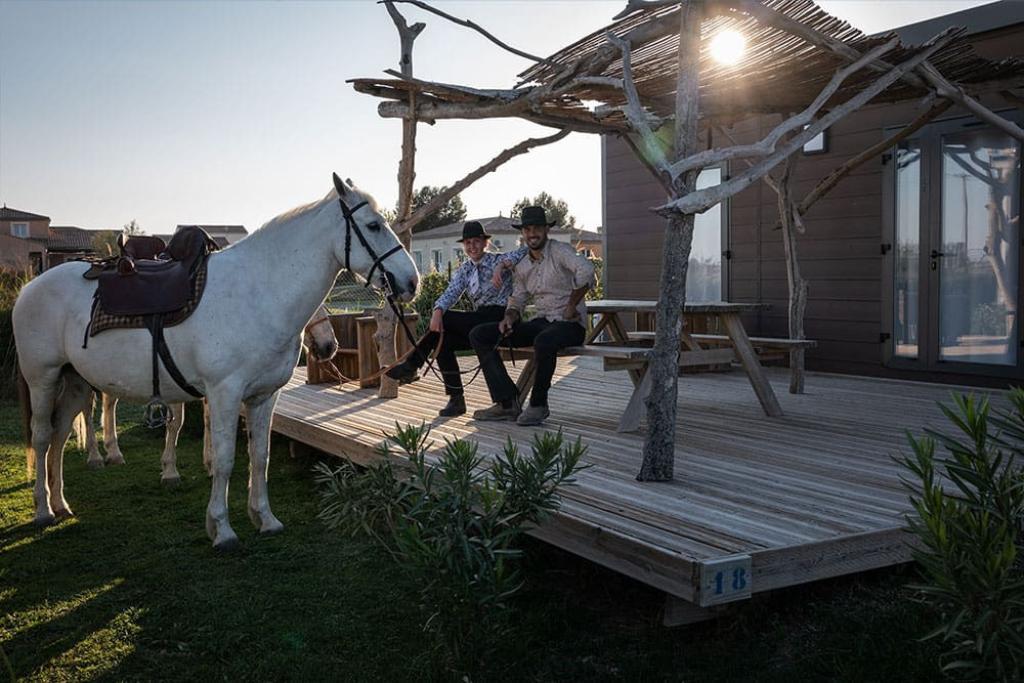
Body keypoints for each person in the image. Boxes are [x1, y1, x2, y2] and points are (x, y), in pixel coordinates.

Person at [469, 206, 595, 426]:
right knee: (481, 334)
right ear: (523, 233)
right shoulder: (523, 265)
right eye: (527, 229)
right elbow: (517, 298)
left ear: (546, 229)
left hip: (570, 324)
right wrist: (509, 317)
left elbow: (586, 270)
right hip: (543, 322)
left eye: (537, 228)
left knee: (543, 341)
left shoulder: (560, 251)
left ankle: (538, 405)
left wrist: (572, 304)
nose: (532, 233)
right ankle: (507, 403)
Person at [386, 220, 527, 416]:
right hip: (481, 320)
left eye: (476, 242)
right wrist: (437, 310)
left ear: (485, 243)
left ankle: (412, 365)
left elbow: (524, 251)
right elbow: (451, 293)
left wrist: (501, 266)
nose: (472, 247)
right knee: (445, 342)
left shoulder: (497, 260)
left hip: (502, 316)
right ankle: (456, 399)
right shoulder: (466, 270)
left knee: (446, 320)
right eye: (468, 243)